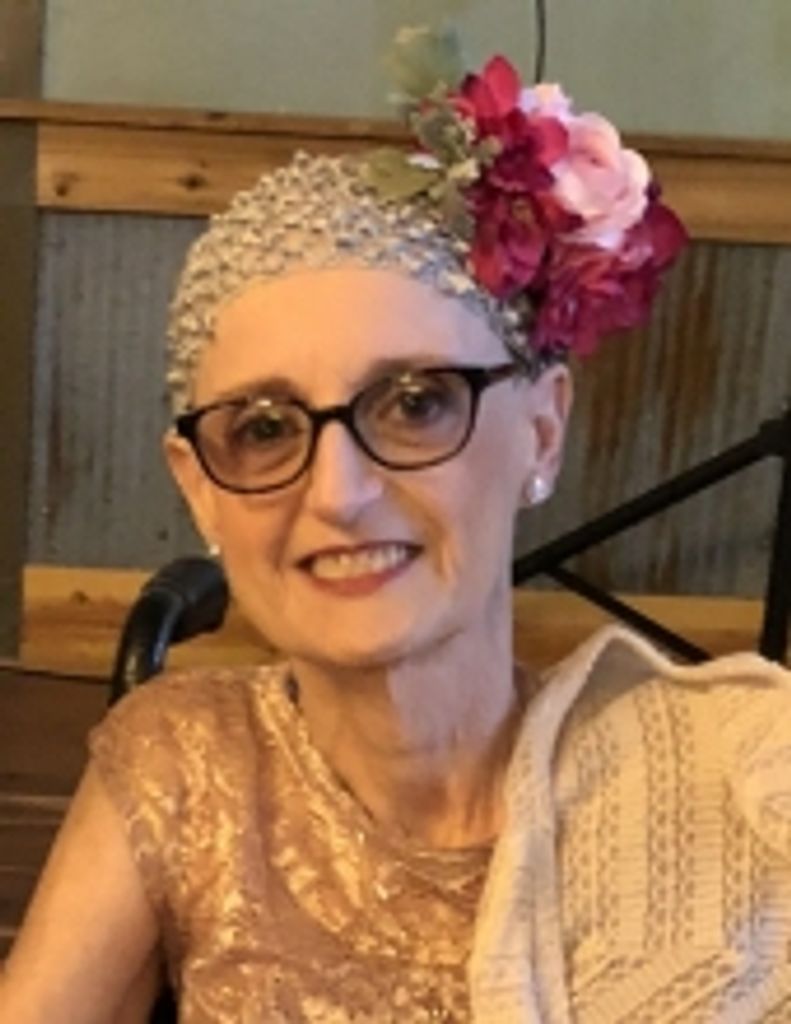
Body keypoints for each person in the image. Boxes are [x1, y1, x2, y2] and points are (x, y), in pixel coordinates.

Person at [3, 26, 791, 1024]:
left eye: (415, 403)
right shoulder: (187, 765)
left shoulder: (734, 778)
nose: (337, 492)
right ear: (199, 486)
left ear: (542, 429)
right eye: (263, 427)